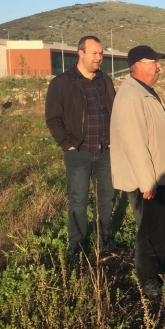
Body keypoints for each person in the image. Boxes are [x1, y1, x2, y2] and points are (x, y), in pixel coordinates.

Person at [110, 46, 165, 298]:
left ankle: (156, 270)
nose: (159, 67)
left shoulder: (144, 92)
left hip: (158, 175)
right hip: (147, 180)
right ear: (138, 64)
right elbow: (134, 142)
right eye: (154, 62)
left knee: (157, 227)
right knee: (148, 231)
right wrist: (147, 181)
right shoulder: (131, 96)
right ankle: (148, 283)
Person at [45, 35, 119, 260]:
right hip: (78, 153)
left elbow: (113, 110)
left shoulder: (105, 80)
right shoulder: (62, 83)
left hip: (105, 151)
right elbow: (53, 118)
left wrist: (114, 137)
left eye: (101, 53)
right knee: (78, 200)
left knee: (106, 198)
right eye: (94, 53)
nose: (99, 57)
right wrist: (67, 145)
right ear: (81, 53)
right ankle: (76, 248)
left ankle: (104, 240)